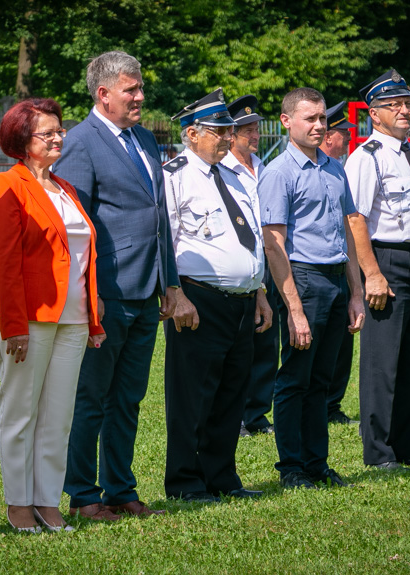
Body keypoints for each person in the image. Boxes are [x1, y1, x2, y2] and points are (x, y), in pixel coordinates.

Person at [53, 50, 177, 521]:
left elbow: (158, 217)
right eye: (132, 90)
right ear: (103, 94)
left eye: (140, 88)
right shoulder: (80, 143)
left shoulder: (144, 139)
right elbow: (74, 227)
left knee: (128, 397)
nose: (141, 97)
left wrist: (172, 284)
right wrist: (88, 293)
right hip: (106, 295)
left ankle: (120, 489)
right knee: (91, 398)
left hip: (147, 293)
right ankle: (84, 495)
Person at [0, 98, 106, 533]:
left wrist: (92, 318)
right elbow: (5, 263)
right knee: (20, 413)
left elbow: (83, 258)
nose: (58, 138)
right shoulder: (7, 184)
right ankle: (18, 503)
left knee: (58, 415)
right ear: (22, 140)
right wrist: (12, 324)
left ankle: (46, 501)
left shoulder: (66, 188)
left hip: (73, 321)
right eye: (47, 133)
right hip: (30, 320)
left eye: (60, 130)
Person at [164, 88, 272, 501]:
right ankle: (185, 482)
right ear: (192, 133)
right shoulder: (173, 176)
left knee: (231, 395)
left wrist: (259, 291)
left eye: (230, 131)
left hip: (243, 300)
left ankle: (222, 477)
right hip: (199, 299)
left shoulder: (234, 177)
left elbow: (251, 242)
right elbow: (167, 240)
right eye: (218, 131)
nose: (228, 138)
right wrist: (176, 295)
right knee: (192, 396)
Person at [259, 88, 364, 490]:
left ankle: (316, 463)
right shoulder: (279, 173)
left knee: (322, 379)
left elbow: (347, 233)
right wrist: (295, 309)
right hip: (302, 278)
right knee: (296, 377)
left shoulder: (335, 168)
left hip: (336, 278)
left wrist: (355, 291)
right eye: (310, 119)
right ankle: (291, 467)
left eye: (322, 118)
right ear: (286, 121)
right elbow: (274, 243)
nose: (320, 126)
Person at [345, 69, 410, 470]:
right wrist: (372, 274)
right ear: (374, 114)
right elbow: (357, 220)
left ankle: (408, 449)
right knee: (383, 361)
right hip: (387, 260)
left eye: (408, 104)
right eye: (395, 105)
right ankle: (379, 452)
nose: (405, 111)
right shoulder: (367, 157)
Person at [220, 95, 277, 438]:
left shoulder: (265, 167)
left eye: (256, 129)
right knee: (239, 343)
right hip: (241, 261)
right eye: (248, 131)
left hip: (269, 260)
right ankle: (238, 414)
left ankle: (258, 412)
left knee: (267, 342)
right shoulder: (223, 169)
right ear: (231, 134)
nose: (255, 136)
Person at [319, 100, 359, 426]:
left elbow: (349, 221)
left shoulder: (338, 169)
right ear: (328, 137)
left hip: (343, 264)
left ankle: (332, 405)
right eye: (343, 133)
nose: (347, 138)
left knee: (343, 341)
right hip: (312, 270)